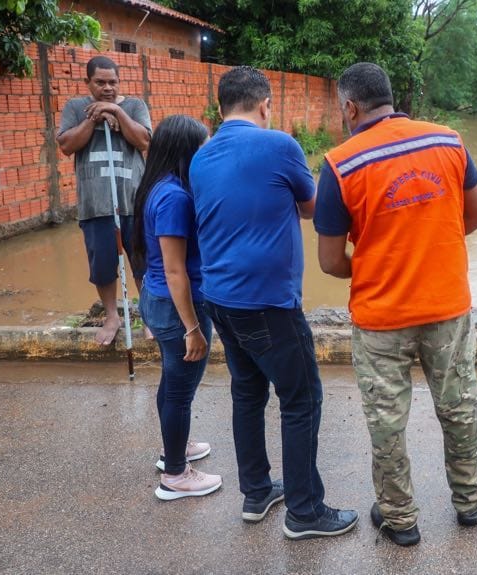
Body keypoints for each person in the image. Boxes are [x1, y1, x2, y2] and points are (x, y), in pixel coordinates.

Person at [315, 62, 477, 547]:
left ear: (351, 107)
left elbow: (330, 262)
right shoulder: (448, 141)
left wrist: (377, 263)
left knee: (387, 421)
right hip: (447, 307)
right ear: (390, 98)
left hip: (381, 319)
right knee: (458, 406)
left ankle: (401, 519)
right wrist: (434, 244)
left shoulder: (339, 164)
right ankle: (470, 503)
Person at [189, 66, 358, 539]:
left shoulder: (200, 158)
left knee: (247, 393)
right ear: (265, 105)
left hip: (220, 299)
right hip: (266, 302)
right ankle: (305, 512)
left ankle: (257, 491)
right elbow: (311, 208)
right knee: (301, 398)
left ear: (221, 106)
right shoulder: (279, 145)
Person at [131, 115, 221, 501]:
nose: (207, 153)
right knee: (180, 391)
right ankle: (175, 476)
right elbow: (174, 269)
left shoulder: (161, 187)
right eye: (202, 147)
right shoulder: (174, 198)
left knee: (171, 382)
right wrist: (192, 328)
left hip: (158, 301)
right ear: (186, 151)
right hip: (175, 307)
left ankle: (174, 448)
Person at [57, 55, 152, 346]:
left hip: (133, 201)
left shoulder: (135, 106)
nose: (107, 87)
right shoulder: (76, 108)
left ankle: (149, 315)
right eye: (100, 82)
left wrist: (117, 113)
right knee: (102, 266)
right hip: (95, 205)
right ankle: (112, 316)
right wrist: (94, 118)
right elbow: (66, 145)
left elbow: (145, 141)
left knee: (143, 264)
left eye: (113, 82)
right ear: (88, 83)